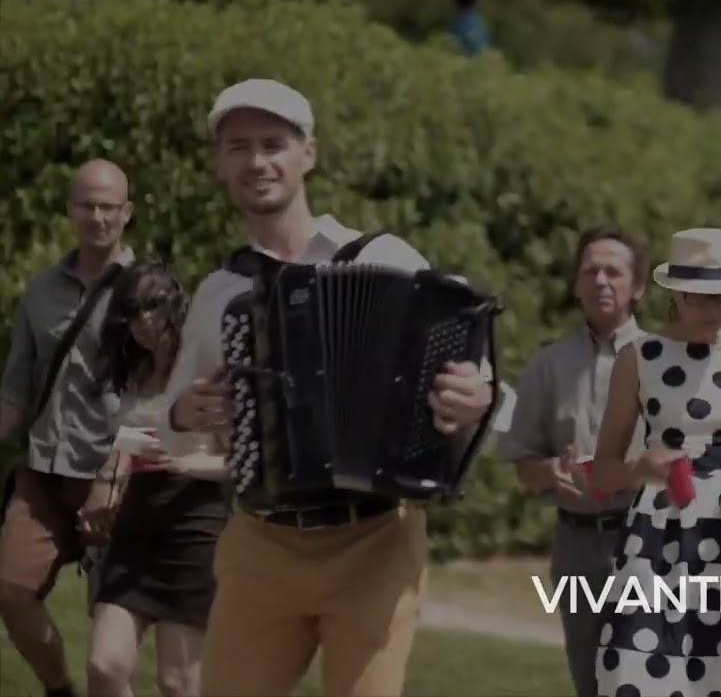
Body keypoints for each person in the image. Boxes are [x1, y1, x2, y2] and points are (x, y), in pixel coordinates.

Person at [158, 78, 495, 697]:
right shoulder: (221, 291)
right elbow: (170, 421)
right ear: (220, 164)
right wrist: (185, 412)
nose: (257, 162)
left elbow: (483, 386)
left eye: (273, 144)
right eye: (238, 147)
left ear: (307, 154)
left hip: (375, 542)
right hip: (261, 544)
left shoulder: (385, 257)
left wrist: (476, 399)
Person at [588, 227, 721, 697]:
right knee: (637, 676)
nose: (714, 309)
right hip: (658, 542)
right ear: (675, 294)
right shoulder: (639, 357)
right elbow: (601, 471)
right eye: (701, 297)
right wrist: (640, 468)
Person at [0, 159, 137, 697]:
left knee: (109, 646)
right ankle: (59, 690)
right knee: (10, 590)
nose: (97, 217)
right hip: (43, 472)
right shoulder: (40, 291)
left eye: (108, 207)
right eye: (87, 205)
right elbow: (16, 390)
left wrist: (120, 472)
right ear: (70, 209)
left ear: (126, 213)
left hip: (113, 480)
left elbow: (159, 399)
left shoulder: (149, 291)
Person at [499, 226, 650, 697]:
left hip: (648, 541)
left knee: (645, 679)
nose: (601, 281)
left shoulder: (666, 361)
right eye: (590, 271)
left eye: (614, 272)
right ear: (576, 284)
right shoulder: (547, 365)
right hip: (577, 548)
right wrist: (550, 472)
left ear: (638, 287)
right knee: (591, 681)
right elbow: (523, 467)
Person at [81, 258, 228, 697]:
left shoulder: (204, 370)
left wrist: (186, 463)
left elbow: (240, 462)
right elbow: (126, 443)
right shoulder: (135, 371)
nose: (144, 320)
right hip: (134, 529)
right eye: (132, 310)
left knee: (178, 683)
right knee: (104, 666)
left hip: (194, 529)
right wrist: (106, 487)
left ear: (174, 303)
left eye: (154, 305)